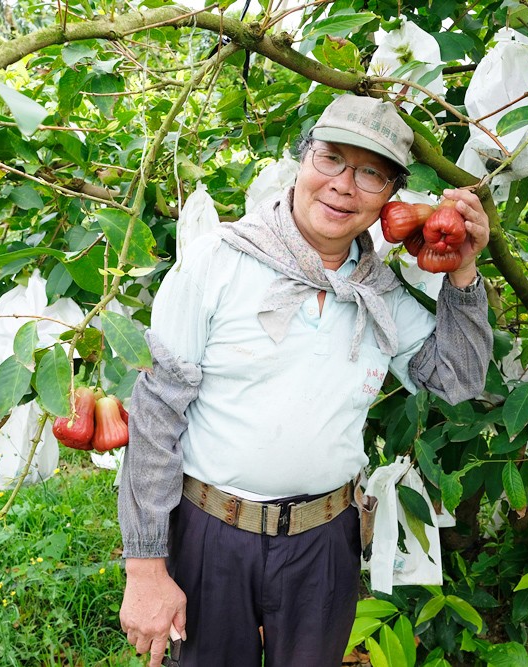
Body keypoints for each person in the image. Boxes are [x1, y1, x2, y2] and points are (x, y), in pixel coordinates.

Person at [118, 94, 493, 666]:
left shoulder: (380, 295)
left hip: (325, 543)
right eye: (330, 159)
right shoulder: (216, 262)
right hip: (210, 536)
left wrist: (463, 272)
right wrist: (145, 569)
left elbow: (457, 385)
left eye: (370, 172)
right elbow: (154, 416)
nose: (344, 185)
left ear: (392, 198)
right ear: (301, 162)